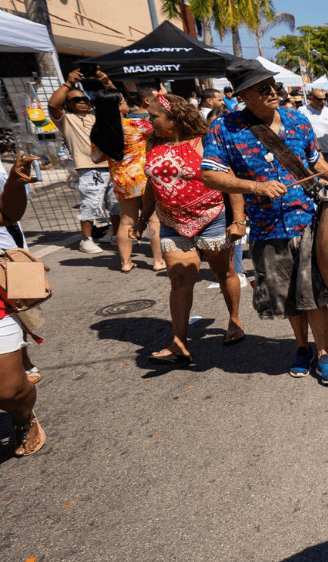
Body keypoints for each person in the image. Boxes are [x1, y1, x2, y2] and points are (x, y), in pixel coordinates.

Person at [202, 59, 328, 384]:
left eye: (272, 85)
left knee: (314, 295)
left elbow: (314, 161)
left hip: (308, 221)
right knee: (289, 297)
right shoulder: (224, 128)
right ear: (243, 96)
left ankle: (324, 353)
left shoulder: (297, 120)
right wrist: (255, 187)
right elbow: (209, 174)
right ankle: (302, 348)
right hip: (266, 228)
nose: (272, 91)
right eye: (262, 88)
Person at [132, 95, 245, 365]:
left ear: (175, 118)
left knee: (224, 272)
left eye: (154, 116)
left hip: (212, 217)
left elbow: (229, 181)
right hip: (171, 222)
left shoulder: (205, 142)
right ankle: (179, 344)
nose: (149, 121)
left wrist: (238, 220)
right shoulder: (153, 143)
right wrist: (142, 218)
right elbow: (151, 185)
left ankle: (234, 321)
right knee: (179, 280)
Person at [89, 86, 164, 273]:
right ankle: (158, 261)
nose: (126, 104)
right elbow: (159, 134)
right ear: (116, 106)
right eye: (123, 101)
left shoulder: (99, 131)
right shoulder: (136, 125)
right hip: (143, 177)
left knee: (126, 221)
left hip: (121, 179)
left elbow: (96, 158)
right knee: (153, 219)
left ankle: (126, 263)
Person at [0, 152, 46, 456]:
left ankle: (23, 415)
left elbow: (8, 214)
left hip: (8, 256)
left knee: (10, 392)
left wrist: (15, 183)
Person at [51, 69, 115, 253]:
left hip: (111, 166)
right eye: (76, 100)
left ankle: (115, 234)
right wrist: (68, 83)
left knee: (115, 204)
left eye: (84, 98)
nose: (82, 102)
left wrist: (106, 81)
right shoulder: (67, 119)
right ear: (67, 104)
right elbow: (53, 105)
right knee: (91, 204)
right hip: (89, 168)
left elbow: (118, 104)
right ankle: (86, 240)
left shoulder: (97, 116)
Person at [300, 88, 328, 168]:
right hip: (310, 151)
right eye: (320, 99)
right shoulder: (302, 111)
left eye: (324, 99)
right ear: (312, 99)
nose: (323, 102)